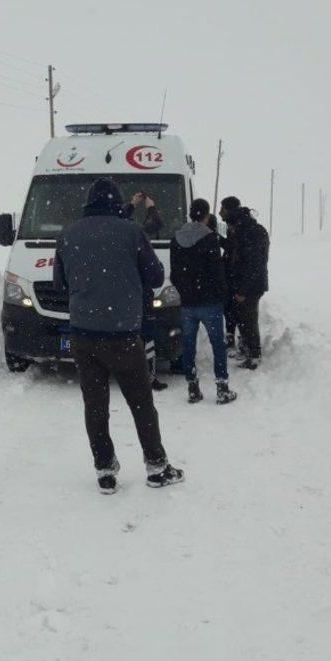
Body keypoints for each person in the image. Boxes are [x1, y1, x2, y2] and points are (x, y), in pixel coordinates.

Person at [54, 178, 183, 494]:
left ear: (88, 202)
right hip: (123, 335)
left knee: (95, 406)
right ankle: (156, 466)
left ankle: (105, 471)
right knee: (141, 403)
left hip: (83, 336)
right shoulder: (131, 232)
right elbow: (155, 276)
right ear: (116, 202)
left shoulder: (68, 234)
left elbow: (59, 284)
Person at [170, 198, 238, 405]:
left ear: (191, 213)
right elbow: (217, 272)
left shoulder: (176, 238)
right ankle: (222, 388)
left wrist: (185, 291)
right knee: (218, 345)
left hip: (188, 303)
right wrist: (221, 295)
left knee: (188, 345)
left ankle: (192, 387)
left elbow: (175, 274)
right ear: (207, 215)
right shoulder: (210, 239)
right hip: (210, 302)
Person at [123, 192, 166, 391]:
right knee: (147, 337)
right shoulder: (138, 236)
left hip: (121, 296)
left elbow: (118, 217)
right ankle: (148, 376)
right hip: (140, 294)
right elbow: (157, 223)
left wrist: (132, 204)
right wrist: (150, 207)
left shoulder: (117, 236)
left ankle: (126, 373)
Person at [220, 199, 269, 370]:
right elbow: (232, 250)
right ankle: (246, 348)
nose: (221, 214)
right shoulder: (240, 229)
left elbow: (253, 265)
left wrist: (242, 290)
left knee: (248, 319)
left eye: (223, 210)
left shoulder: (251, 232)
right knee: (241, 317)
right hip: (240, 284)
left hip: (250, 286)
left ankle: (254, 355)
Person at [219, 196, 241, 352]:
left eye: (223, 209)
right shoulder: (231, 225)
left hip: (236, 277)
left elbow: (234, 250)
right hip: (230, 276)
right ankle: (231, 337)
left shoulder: (239, 227)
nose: (220, 212)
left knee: (236, 311)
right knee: (229, 309)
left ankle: (242, 342)